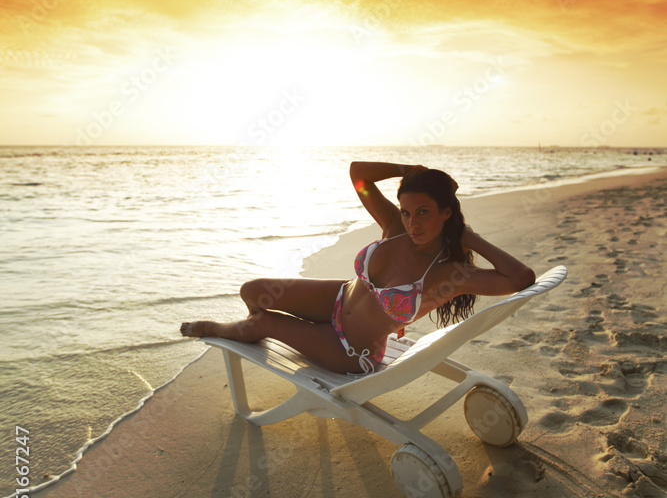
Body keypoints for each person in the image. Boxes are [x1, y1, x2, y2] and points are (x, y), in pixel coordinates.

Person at [180, 161, 536, 375]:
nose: (413, 223)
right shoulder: (395, 228)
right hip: (335, 300)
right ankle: (273, 329)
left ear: (446, 213)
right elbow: (358, 174)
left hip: (351, 348)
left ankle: (235, 329)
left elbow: (521, 278)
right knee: (252, 290)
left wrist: (469, 237)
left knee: (264, 320)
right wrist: (408, 171)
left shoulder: (450, 274)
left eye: (424, 213)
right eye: (407, 212)